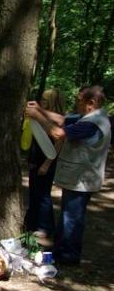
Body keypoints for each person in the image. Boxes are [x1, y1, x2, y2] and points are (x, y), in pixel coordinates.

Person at [25, 85, 111, 266]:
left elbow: (58, 133)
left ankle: (67, 256)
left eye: (79, 101)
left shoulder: (91, 123)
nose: (76, 104)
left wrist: (38, 116)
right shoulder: (92, 116)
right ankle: (62, 250)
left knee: (72, 217)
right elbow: (63, 119)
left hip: (82, 179)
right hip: (79, 177)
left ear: (91, 103)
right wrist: (41, 110)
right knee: (69, 215)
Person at [23, 88, 64, 240]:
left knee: (43, 194)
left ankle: (45, 226)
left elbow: (59, 142)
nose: (42, 102)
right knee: (33, 193)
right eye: (42, 99)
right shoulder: (39, 116)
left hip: (46, 160)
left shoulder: (56, 119)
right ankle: (31, 223)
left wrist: (47, 164)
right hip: (35, 158)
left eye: (46, 100)